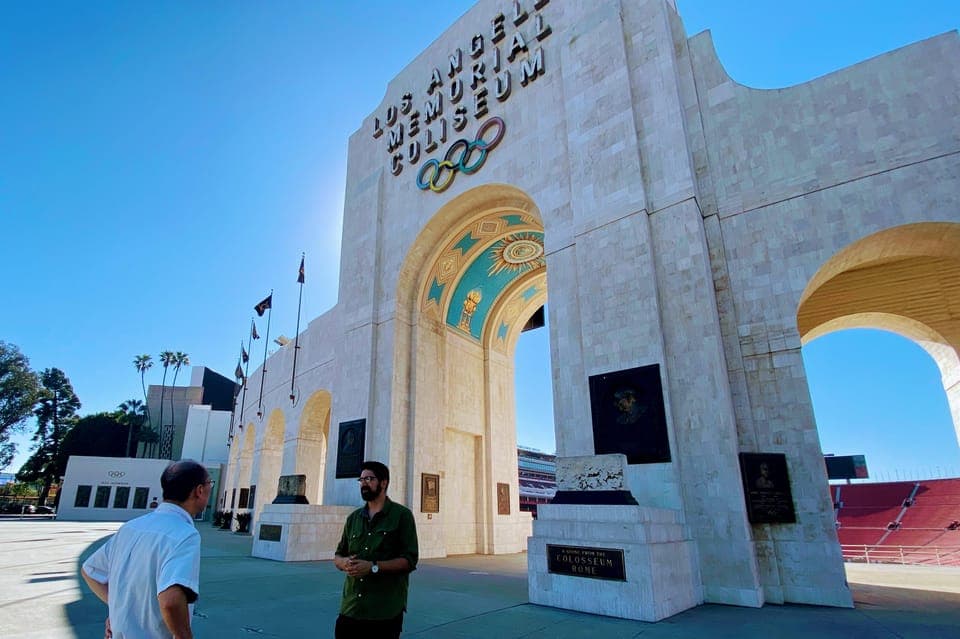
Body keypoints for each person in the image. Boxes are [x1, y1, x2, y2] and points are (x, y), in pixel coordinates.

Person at [80, 460, 212, 639]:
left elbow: (90, 571)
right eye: (209, 484)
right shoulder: (185, 534)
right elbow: (171, 601)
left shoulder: (131, 527)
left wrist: (118, 609)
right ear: (199, 490)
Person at [333, 460, 419, 639]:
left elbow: (409, 560)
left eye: (369, 479)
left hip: (384, 612)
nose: (364, 483)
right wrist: (344, 563)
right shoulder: (353, 518)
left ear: (383, 482)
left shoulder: (402, 516)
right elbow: (339, 554)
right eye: (361, 479)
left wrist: (373, 566)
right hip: (351, 608)